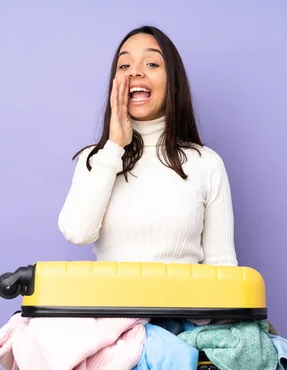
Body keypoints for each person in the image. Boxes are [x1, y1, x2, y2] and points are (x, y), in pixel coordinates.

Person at [58, 25, 238, 267]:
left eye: (151, 64)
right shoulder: (97, 160)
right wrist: (114, 146)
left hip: (184, 305)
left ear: (172, 81)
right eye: (125, 65)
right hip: (109, 304)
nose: (135, 73)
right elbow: (77, 233)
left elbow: (222, 268)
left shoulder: (207, 164)